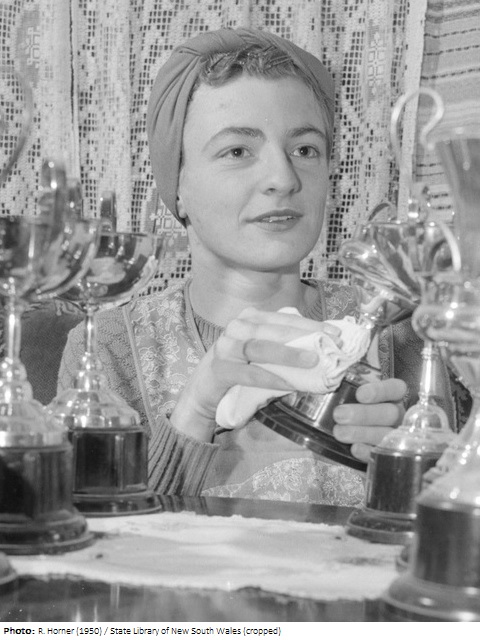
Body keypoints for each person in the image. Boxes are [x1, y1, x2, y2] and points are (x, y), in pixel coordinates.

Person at [58, 27, 456, 505]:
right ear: (177, 186)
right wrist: (197, 409)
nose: (283, 178)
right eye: (237, 152)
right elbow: (92, 536)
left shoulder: (403, 335)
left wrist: (409, 470)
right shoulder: (106, 346)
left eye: (305, 149)